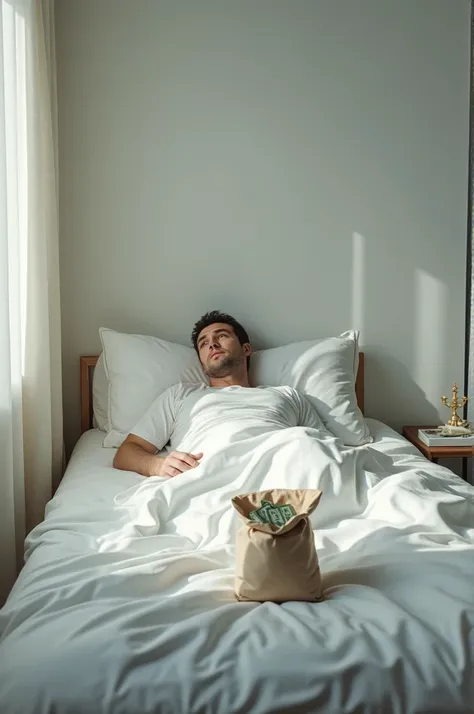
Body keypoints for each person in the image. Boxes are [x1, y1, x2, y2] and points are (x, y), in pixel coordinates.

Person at [113, 310, 322, 477]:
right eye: (203, 343)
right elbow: (127, 452)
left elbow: (321, 445)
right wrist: (158, 466)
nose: (212, 344)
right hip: (209, 472)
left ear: (246, 348)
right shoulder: (181, 395)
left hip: (283, 472)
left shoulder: (287, 395)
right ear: (202, 363)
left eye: (221, 336)